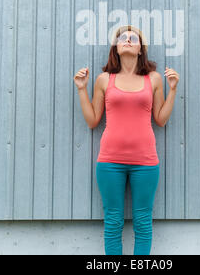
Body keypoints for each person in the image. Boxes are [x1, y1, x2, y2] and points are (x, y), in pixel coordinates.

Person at [73, 24, 179, 255]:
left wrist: (172, 90)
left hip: (146, 162)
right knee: (113, 222)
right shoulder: (103, 80)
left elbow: (160, 119)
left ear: (141, 49)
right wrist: (82, 89)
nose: (128, 40)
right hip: (110, 161)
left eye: (133, 38)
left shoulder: (154, 79)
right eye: (123, 38)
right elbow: (92, 121)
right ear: (116, 48)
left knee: (143, 221)